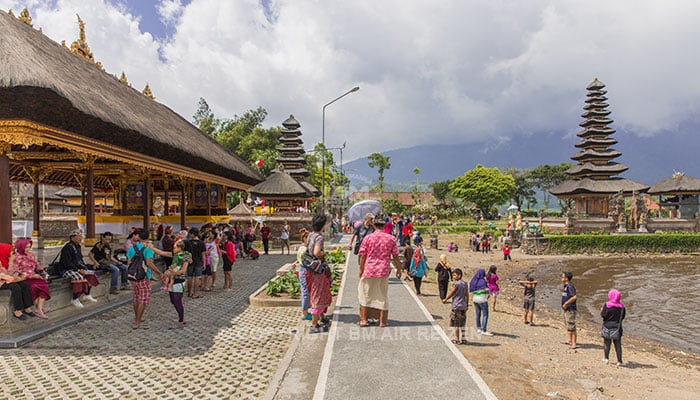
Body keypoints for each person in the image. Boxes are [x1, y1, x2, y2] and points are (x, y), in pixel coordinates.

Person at [357, 216, 401, 327]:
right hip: (383, 270)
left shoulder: (368, 238)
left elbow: (362, 255)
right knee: (382, 295)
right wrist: (399, 269)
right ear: (385, 225)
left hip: (369, 269)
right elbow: (395, 256)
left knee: (365, 294)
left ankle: (364, 320)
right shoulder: (391, 239)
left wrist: (361, 269)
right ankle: (383, 321)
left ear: (373, 225)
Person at [127, 229, 162, 329]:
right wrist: (159, 273)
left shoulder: (132, 248)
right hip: (144, 276)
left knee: (136, 296)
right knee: (143, 298)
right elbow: (149, 263)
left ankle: (137, 317)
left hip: (133, 275)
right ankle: (137, 321)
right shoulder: (148, 249)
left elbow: (129, 262)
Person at [57, 230, 100, 308]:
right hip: (66, 269)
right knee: (78, 277)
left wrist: (83, 268)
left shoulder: (78, 246)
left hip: (76, 267)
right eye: (79, 237)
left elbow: (79, 259)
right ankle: (75, 298)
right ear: (72, 238)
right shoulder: (68, 247)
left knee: (90, 273)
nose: (80, 238)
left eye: (81, 237)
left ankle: (87, 294)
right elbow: (67, 263)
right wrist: (78, 270)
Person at [306, 214, 333, 333]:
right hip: (318, 270)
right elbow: (317, 252)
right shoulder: (319, 238)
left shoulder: (310, 235)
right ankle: (314, 324)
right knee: (318, 293)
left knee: (319, 292)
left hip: (310, 268)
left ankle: (321, 317)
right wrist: (323, 254)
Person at [11, 238, 50, 319]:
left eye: (29, 247)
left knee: (44, 285)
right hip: (25, 277)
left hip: (35, 276)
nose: (28, 249)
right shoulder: (16, 257)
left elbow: (37, 264)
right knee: (34, 287)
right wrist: (30, 275)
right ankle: (39, 309)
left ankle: (39, 308)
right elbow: (17, 270)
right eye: (26, 247)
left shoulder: (30, 255)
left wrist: (42, 271)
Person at [0, 243, 37, 320]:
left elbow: (14, 271)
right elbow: (6, 276)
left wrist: (18, 274)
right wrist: (10, 263)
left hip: (8, 279)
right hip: (2, 282)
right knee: (15, 287)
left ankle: (27, 307)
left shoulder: (9, 259)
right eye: (11, 251)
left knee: (25, 285)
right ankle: (17, 310)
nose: (13, 253)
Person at [164, 240, 190, 329]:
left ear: (180, 248)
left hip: (180, 280)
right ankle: (181, 316)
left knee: (177, 300)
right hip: (173, 279)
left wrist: (171, 273)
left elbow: (183, 270)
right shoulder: (175, 255)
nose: (173, 249)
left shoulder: (185, 256)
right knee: (173, 300)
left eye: (175, 247)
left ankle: (181, 320)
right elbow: (173, 266)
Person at [442, 268, 468, 344]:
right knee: (462, 323)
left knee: (456, 323)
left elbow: (452, 292)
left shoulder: (456, 284)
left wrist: (446, 299)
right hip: (463, 306)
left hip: (456, 306)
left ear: (459, 275)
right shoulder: (465, 284)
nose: (453, 276)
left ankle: (457, 339)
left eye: (455, 275)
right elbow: (467, 294)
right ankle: (463, 338)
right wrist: (466, 304)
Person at [601, 289, 626, 366]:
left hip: (607, 326)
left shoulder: (607, 305)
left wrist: (601, 310)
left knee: (607, 343)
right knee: (618, 344)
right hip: (617, 328)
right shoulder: (622, 307)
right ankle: (619, 361)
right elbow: (623, 317)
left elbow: (603, 315)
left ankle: (606, 358)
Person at [294, 229, 311, 321]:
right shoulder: (305, 249)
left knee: (304, 290)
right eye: (308, 237)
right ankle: (305, 312)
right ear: (304, 239)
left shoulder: (301, 247)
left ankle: (306, 311)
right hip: (305, 269)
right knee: (305, 292)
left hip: (301, 269)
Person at [469, 268, 492, 336]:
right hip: (482, 299)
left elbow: (471, 290)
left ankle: (478, 328)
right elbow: (487, 290)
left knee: (477, 314)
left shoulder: (473, 281)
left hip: (475, 299)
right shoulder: (483, 281)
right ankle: (483, 329)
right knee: (485, 314)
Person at [185, 228, 206, 299]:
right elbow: (203, 254)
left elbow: (186, 254)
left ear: (193, 234)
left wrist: (185, 262)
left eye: (190, 233)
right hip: (198, 262)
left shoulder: (188, 242)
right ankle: (195, 293)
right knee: (197, 277)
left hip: (190, 262)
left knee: (189, 277)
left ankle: (189, 292)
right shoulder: (201, 243)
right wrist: (204, 263)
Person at [561, 271, 578, 349]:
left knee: (571, 325)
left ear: (566, 278)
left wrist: (566, 304)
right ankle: (569, 340)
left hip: (570, 309)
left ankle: (574, 343)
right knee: (567, 324)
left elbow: (574, 297)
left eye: (562, 277)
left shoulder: (570, 286)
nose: (561, 278)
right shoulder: (566, 286)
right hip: (566, 309)